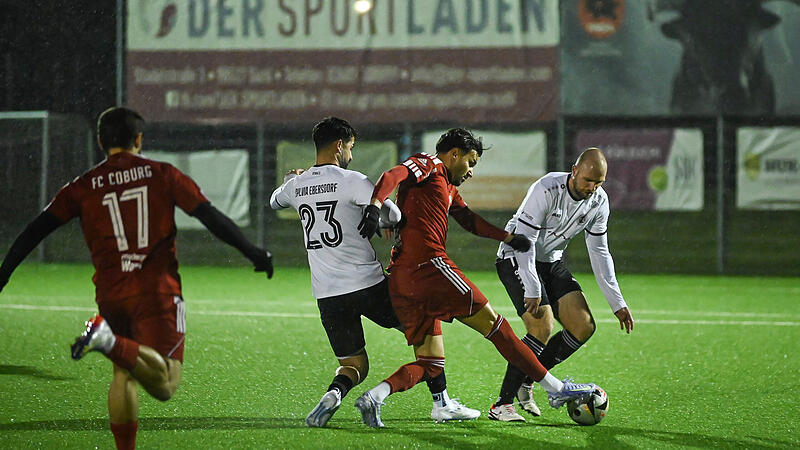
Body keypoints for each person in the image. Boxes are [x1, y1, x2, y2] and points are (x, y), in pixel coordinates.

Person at [0, 107, 273, 450]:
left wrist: (4, 273)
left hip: (111, 295)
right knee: (166, 384)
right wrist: (253, 252)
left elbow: (35, 230)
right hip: (156, 291)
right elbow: (209, 215)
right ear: (139, 139)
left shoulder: (83, 186)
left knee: (123, 373)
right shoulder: (162, 174)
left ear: (101, 141)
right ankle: (107, 340)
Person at [353, 128, 598, 428]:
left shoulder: (447, 186)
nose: (470, 171)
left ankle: (380, 398)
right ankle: (556, 390)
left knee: (431, 362)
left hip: (404, 279)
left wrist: (507, 236)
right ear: (454, 154)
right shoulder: (429, 164)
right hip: (430, 267)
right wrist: (375, 206)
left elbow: (469, 220)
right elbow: (393, 175)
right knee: (498, 328)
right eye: (470, 162)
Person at [269, 117, 479, 427]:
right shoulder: (352, 180)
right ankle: (442, 402)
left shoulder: (297, 186)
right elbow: (393, 214)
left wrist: (294, 178)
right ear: (340, 145)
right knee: (426, 322)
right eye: (350, 147)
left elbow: (275, 201)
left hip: (327, 295)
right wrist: (383, 222)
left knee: (354, 365)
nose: (351, 154)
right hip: (368, 286)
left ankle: (333, 395)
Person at [489, 147, 635, 422]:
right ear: (575, 171)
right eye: (588, 181)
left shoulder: (599, 202)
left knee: (583, 326)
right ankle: (502, 404)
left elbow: (600, 252)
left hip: (551, 262)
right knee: (542, 325)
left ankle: (528, 380)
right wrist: (532, 287)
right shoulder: (546, 189)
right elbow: (525, 243)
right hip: (515, 256)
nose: (592, 188)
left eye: (599, 183)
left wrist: (618, 302)